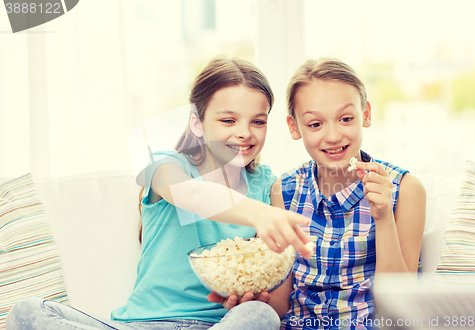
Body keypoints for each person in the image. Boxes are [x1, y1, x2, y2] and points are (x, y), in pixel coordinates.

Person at [5, 56, 312, 330]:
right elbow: (194, 195)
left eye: (257, 121)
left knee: (262, 316)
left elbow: (280, 306)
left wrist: (253, 299)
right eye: (228, 120)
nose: (245, 132)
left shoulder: (270, 186)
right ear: (197, 123)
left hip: (219, 324)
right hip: (139, 324)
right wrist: (260, 214)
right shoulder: (165, 167)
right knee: (27, 311)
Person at [221, 58, 426, 329]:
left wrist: (384, 217)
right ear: (294, 127)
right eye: (315, 124)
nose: (332, 136)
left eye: (345, 119)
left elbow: (402, 308)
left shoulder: (405, 189)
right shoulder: (284, 191)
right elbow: (281, 303)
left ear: (366, 114)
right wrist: (251, 302)